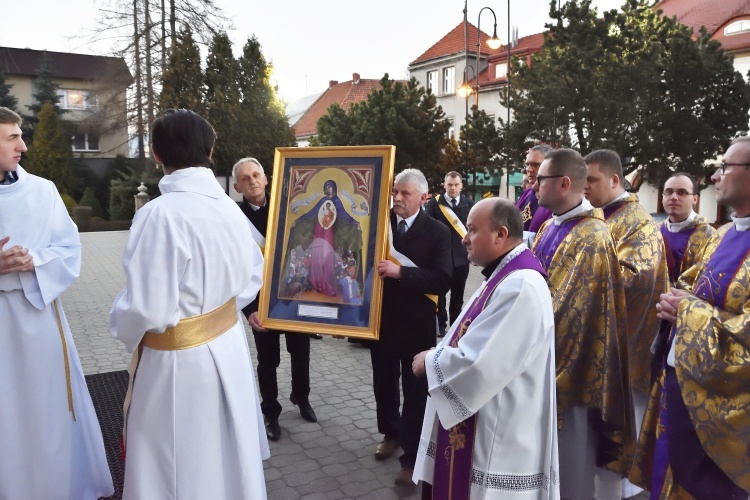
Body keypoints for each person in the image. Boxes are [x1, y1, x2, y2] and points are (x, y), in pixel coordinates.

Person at [110, 109, 268, 499]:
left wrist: (120, 320)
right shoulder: (230, 210)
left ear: (155, 153)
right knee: (227, 457)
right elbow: (255, 273)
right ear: (211, 152)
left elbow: (146, 307)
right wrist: (217, 311)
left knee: (178, 466)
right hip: (228, 346)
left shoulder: (158, 215)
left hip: (176, 361)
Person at [0, 107, 113, 499]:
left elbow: (69, 250)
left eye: (21, 135)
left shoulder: (42, 191)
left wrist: (35, 261)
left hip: (38, 317)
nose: (24, 145)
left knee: (47, 412)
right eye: (12, 137)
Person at [412, 198, 559, 499]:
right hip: (490, 422)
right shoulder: (506, 273)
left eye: (472, 229)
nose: (464, 238)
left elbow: (481, 362)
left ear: (501, 235)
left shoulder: (520, 286)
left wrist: (430, 362)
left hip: (498, 434)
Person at [635, 137, 750, 498]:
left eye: (726, 167)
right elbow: (696, 284)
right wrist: (675, 302)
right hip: (684, 387)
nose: (716, 176)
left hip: (724, 409)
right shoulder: (728, 234)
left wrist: (686, 309)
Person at [531, 148, 633, 499]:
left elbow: (568, 312)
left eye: (540, 178)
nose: (533, 183)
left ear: (562, 183)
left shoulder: (592, 236)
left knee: (568, 470)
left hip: (569, 374)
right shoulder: (548, 226)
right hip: (539, 365)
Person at [584, 149, 668, 496]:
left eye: (592, 179)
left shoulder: (638, 222)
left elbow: (637, 277)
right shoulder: (601, 215)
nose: (584, 186)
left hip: (627, 348)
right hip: (601, 343)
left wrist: (581, 279)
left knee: (620, 440)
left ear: (615, 180)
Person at [372, 168, 452, 487]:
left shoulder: (437, 231)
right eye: (396, 193)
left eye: (405, 193)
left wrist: (400, 273)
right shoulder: (382, 225)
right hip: (381, 321)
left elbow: (443, 279)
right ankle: (390, 434)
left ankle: (411, 458)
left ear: (422, 196)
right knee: (384, 383)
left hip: (417, 325)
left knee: (416, 390)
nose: (399, 198)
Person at [233, 157, 317, 443]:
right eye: (245, 178)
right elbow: (233, 267)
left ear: (267, 178)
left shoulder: (289, 210)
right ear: (237, 186)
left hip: (294, 295)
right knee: (267, 361)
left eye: (256, 175)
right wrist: (248, 310)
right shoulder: (233, 218)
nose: (253, 181)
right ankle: (270, 412)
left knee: (301, 351)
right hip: (261, 302)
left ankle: (301, 397)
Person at [284, 179, 363, 299]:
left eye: (329, 186)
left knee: (326, 256)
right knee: (317, 255)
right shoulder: (323, 200)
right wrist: (298, 220)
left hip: (328, 232)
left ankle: (326, 283)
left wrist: (355, 222)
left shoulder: (336, 201)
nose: (327, 188)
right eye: (326, 186)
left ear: (334, 187)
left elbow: (343, 215)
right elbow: (312, 212)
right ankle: (316, 283)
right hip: (318, 230)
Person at [424, 171, 474, 337]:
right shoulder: (434, 204)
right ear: (444, 185)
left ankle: (455, 327)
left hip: (462, 258)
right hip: (440, 258)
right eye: (450, 184)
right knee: (440, 294)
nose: (453, 188)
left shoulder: (469, 204)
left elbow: (475, 230)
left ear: (461, 186)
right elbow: (428, 228)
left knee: (458, 296)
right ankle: (440, 326)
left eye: (456, 184)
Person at [658, 172, 716, 282]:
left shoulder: (711, 237)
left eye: (682, 192)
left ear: (695, 199)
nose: (674, 197)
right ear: (662, 198)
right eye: (668, 192)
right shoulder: (654, 231)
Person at [516, 144, 554, 233]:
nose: (529, 169)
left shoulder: (555, 199)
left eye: (535, 164)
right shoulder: (526, 194)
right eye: (527, 164)